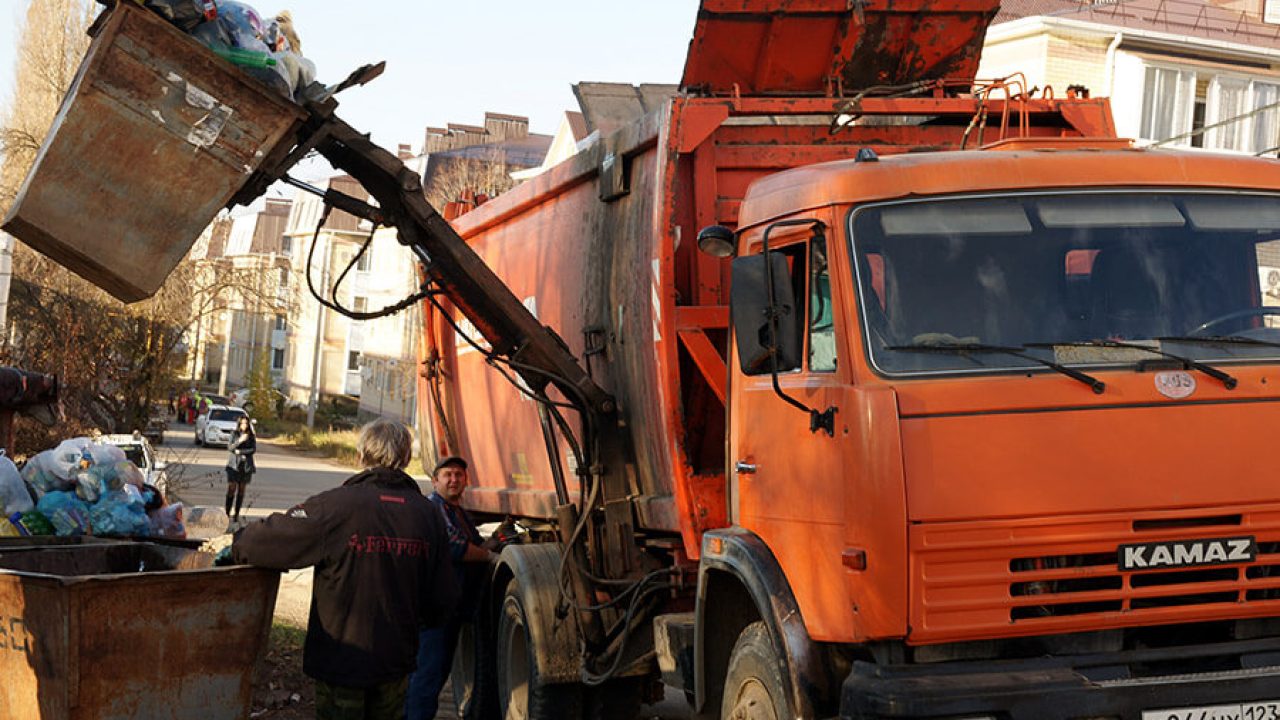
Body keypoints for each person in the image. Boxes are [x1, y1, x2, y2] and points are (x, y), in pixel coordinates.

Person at [231, 419, 458, 720]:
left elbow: (265, 540)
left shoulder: (335, 506)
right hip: (395, 662)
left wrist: (236, 544)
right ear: (405, 458)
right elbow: (442, 601)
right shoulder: (428, 515)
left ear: (362, 454)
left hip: (341, 663)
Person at [406, 455, 495, 720]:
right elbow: (455, 547)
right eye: (448, 475)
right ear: (435, 482)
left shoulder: (458, 513)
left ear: (466, 481)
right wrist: (490, 557)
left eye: (459, 475)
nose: (454, 480)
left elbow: (477, 545)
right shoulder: (436, 509)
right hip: (434, 611)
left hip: (449, 609)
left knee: (437, 672)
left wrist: (499, 538)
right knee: (426, 676)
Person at [225, 416, 256, 523]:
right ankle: (227, 513)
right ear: (239, 424)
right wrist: (239, 441)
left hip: (246, 466)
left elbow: (253, 449)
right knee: (231, 488)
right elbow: (230, 447)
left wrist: (241, 452)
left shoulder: (251, 436)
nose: (244, 425)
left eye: (246, 423)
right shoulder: (234, 434)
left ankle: (236, 514)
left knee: (241, 490)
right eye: (242, 423)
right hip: (233, 466)